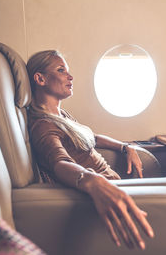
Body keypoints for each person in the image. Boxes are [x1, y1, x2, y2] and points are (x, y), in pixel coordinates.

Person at [26, 50, 154, 250]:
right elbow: (60, 162)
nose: (70, 77)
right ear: (40, 78)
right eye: (61, 70)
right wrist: (92, 181)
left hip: (114, 185)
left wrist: (125, 147)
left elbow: (91, 138)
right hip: (108, 192)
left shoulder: (62, 116)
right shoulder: (43, 124)